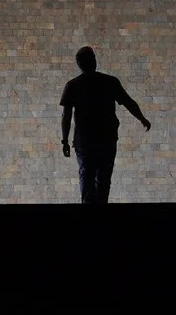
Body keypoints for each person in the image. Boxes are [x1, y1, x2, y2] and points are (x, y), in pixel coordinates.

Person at [59, 46, 151, 204]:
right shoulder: (110, 82)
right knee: (103, 178)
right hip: (106, 138)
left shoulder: (72, 85)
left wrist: (65, 141)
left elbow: (66, 116)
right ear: (94, 61)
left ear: (79, 64)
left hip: (84, 140)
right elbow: (128, 102)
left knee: (86, 177)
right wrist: (141, 118)